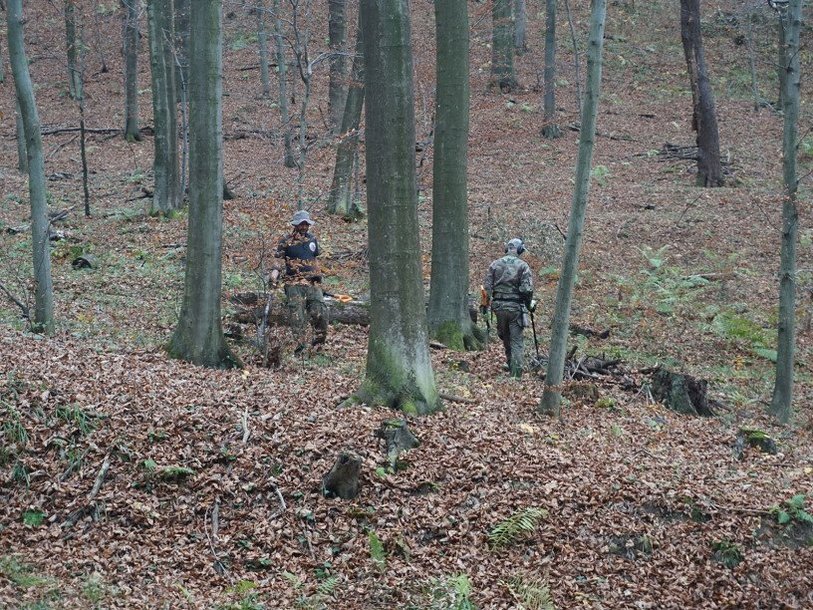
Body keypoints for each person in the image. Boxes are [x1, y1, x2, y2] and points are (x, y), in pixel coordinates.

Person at [270, 210, 328, 353]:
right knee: (297, 316)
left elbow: (315, 259)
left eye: (306, 224)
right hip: (293, 283)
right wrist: (274, 275)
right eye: (301, 224)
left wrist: (318, 276)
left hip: (312, 283)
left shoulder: (312, 239)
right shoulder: (286, 240)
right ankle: (301, 348)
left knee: (320, 312)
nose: (304, 227)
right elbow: (278, 260)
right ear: (295, 225)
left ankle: (318, 346)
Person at [483, 238, 535, 378]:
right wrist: (529, 303)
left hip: (498, 307)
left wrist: (484, 306)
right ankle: (516, 374)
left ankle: (511, 363)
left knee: (505, 337)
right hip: (515, 308)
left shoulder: (495, 264)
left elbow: (486, 288)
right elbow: (526, 289)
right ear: (519, 250)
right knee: (516, 341)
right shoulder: (523, 266)